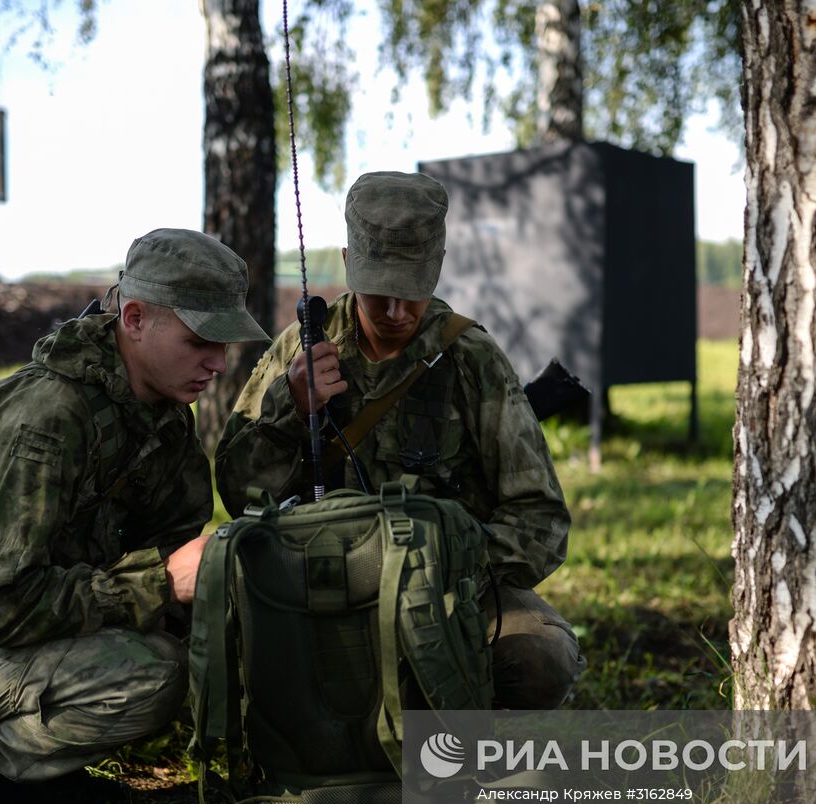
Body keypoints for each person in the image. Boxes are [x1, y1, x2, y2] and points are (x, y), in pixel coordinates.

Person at [0, 229, 269, 804]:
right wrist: (160, 585)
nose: (219, 363)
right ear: (134, 319)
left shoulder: (159, 415)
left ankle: (52, 776)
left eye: (223, 343)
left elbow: (169, 543)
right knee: (150, 676)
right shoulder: (42, 419)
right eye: (200, 341)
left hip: (35, 628)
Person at [215, 171, 585, 710]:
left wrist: (440, 569)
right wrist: (287, 411)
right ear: (347, 264)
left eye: (410, 292)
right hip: (320, 586)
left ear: (436, 267)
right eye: (379, 290)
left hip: (448, 593)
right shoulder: (302, 349)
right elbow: (238, 494)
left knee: (539, 659)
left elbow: (541, 521)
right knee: (230, 643)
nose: (395, 312)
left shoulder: (470, 357)